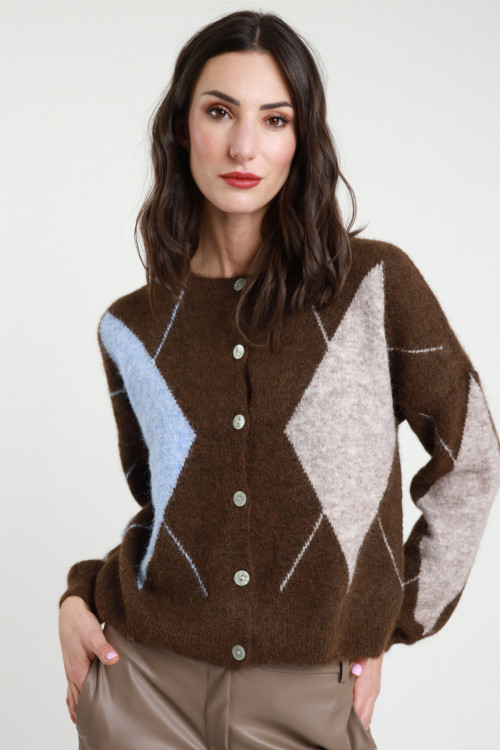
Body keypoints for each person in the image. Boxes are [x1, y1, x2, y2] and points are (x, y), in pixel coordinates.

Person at [58, 10, 500, 750]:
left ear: (302, 139)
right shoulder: (131, 326)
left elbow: (473, 456)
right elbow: (168, 509)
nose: (244, 146)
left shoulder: (372, 286)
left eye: (274, 119)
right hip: (141, 686)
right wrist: (79, 596)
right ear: (181, 128)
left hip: (308, 699)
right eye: (219, 112)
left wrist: (390, 617)